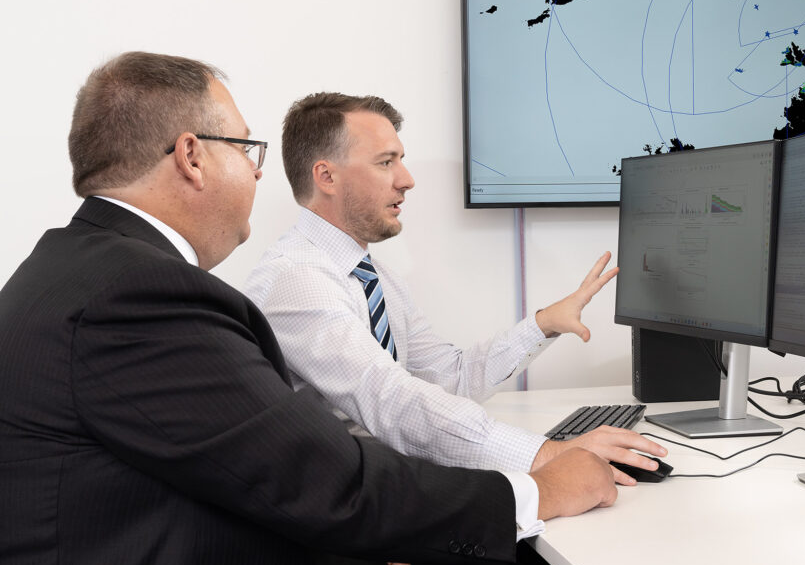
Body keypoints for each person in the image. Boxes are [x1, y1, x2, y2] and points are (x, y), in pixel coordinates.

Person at [0, 51, 619, 565]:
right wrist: (539, 483)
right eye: (246, 149)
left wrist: (539, 333)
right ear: (191, 156)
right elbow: (337, 468)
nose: (259, 170)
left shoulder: (79, 270)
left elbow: (268, 470)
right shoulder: (143, 295)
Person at [245, 92, 667, 482]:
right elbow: (390, 401)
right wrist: (546, 454)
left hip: (386, 488)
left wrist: (542, 325)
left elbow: (450, 378)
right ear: (327, 177)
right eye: (386, 162)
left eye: (401, 160)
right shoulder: (297, 280)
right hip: (343, 518)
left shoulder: (375, 277)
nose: (406, 180)